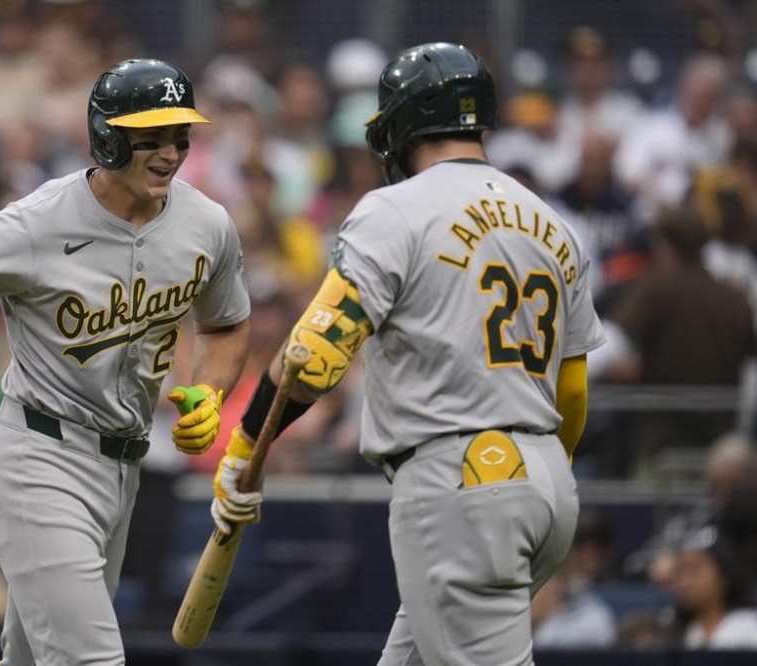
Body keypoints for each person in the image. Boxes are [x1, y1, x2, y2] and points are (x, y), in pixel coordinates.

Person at [210, 42, 605, 665]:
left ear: (404, 123)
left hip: (463, 479)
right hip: (546, 484)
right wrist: (537, 475)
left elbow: (314, 356)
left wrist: (244, 448)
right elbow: (575, 392)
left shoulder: (396, 209)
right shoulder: (552, 222)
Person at [0, 58, 251, 665]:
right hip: (37, 459)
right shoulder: (35, 224)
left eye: (180, 137)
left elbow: (224, 325)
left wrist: (210, 390)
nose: (170, 154)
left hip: (125, 467)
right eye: (150, 139)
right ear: (107, 138)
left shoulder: (207, 223)